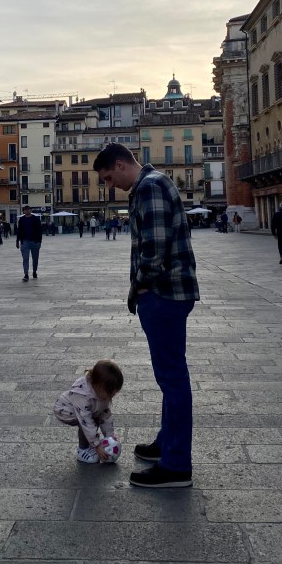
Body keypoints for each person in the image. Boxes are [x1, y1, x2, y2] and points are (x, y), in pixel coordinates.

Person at [93, 142, 199, 489]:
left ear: (122, 164)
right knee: (171, 376)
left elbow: (154, 249)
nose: (110, 185)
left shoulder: (149, 188)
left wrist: (139, 287)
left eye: (109, 177)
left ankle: (176, 465)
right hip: (169, 292)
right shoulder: (155, 183)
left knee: (172, 378)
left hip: (163, 293)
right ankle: (166, 444)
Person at [53, 359, 123, 464]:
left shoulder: (101, 393)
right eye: (110, 393)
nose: (111, 396)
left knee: (96, 417)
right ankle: (83, 450)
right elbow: (87, 423)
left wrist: (109, 436)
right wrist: (97, 445)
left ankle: (90, 441)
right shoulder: (82, 396)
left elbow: (106, 416)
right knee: (89, 422)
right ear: (98, 386)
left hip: (85, 410)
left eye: (113, 394)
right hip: (65, 411)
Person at [16, 204, 42, 280]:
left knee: (35, 258)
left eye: (28, 209)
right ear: (24, 211)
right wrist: (17, 241)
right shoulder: (21, 220)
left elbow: (39, 230)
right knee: (25, 258)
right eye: (25, 209)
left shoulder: (36, 219)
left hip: (35, 241)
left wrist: (39, 241)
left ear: (31, 210)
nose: (27, 210)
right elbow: (19, 231)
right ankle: (26, 274)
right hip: (25, 241)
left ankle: (34, 271)